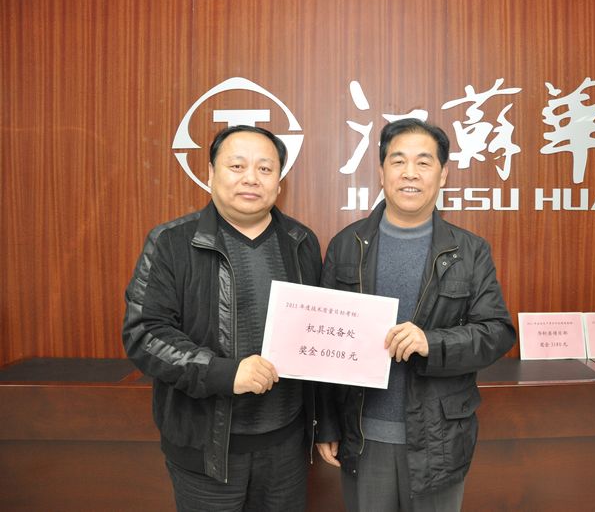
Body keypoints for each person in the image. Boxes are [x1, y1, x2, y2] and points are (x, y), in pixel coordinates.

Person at [315, 118, 516, 511]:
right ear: (381, 171)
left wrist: (432, 342)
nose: (410, 173)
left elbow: (497, 333)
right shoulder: (346, 245)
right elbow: (323, 338)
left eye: (423, 162)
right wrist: (327, 423)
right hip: (363, 437)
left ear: (443, 174)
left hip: (438, 440)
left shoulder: (470, 250)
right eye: (398, 161)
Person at [122, 125, 321, 511]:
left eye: (265, 168)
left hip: (286, 448)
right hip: (206, 450)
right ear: (211, 173)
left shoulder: (301, 242)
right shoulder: (171, 242)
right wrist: (223, 373)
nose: (251, 178)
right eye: (237, 166)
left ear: (279, 182)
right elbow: (144, 334)